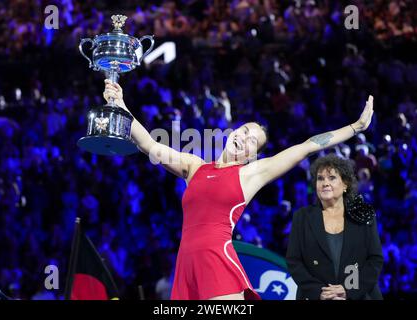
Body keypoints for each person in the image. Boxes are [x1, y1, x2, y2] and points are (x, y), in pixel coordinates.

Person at [103, 80, 374, 300]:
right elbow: (150, 145)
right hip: (186, 264)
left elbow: (307, 146)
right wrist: (121, 105)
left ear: (250, 156)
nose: (243, 139)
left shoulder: (249, 174)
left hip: (216, 260)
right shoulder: (195, 167)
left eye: (252, 142)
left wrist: (356, 127)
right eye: (244, 131)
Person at [286, 154, 384, 300]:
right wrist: (320, 292)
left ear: (345, 184)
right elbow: (294, 261)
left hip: (359, 296)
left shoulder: (364, 214)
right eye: (320, 178)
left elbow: (375, 259)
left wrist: (348, 291)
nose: (325, 183)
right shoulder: (302, 217)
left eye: (331, 178)